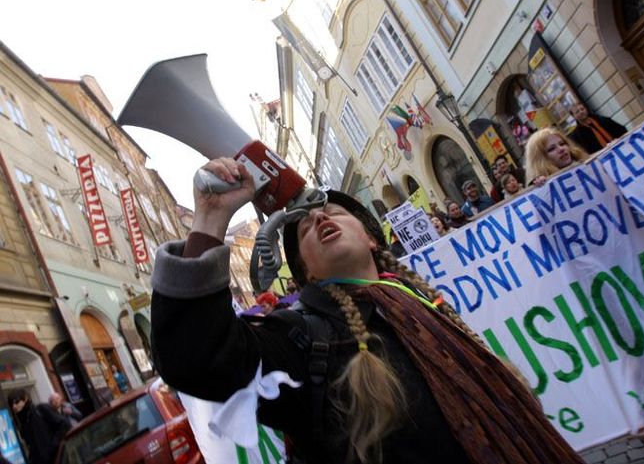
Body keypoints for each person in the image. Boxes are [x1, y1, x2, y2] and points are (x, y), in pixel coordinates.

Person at [151, 157, 584, 464]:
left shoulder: (423, 305)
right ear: (307, 277)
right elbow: (196, 357)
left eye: (333, 213)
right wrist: (209, 218)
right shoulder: (302, 337)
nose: (319, 219)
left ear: (372, 239)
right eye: (304, 227)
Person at [8, 389, 71, 464]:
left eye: (17, 402)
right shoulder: (23, 423)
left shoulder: (41, 409)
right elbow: (33, 448)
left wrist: (52, 447)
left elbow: (64, 424)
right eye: (12, 404)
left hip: (58, 459)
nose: (14, 406)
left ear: (25, 399)